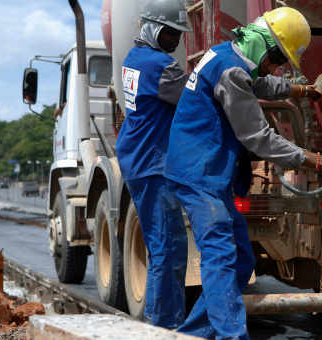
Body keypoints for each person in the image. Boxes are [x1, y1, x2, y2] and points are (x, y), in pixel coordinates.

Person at [164, 6, 322, 339]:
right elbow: (259, 137)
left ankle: (192, 334)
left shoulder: (227, 54)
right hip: (200, 176)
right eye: (278, 60)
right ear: (265, 47)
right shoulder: (231, 72)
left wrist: (303, 90)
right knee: (222, 259)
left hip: (209, 173)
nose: (277, 67)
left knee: (241, 261)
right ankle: (231, 336)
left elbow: (258, 82)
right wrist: (320, 161)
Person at [114, 0, 191, 329]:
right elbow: (197, 97)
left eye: (179, 35)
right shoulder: (160, 67)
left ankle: (167, 321)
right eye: (171, 33)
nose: (177, 41)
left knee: (167, 246)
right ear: (154, 29)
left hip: (138, 158)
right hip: (152, 164)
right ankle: (162, 326)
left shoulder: (135, 58)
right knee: (167, 248)